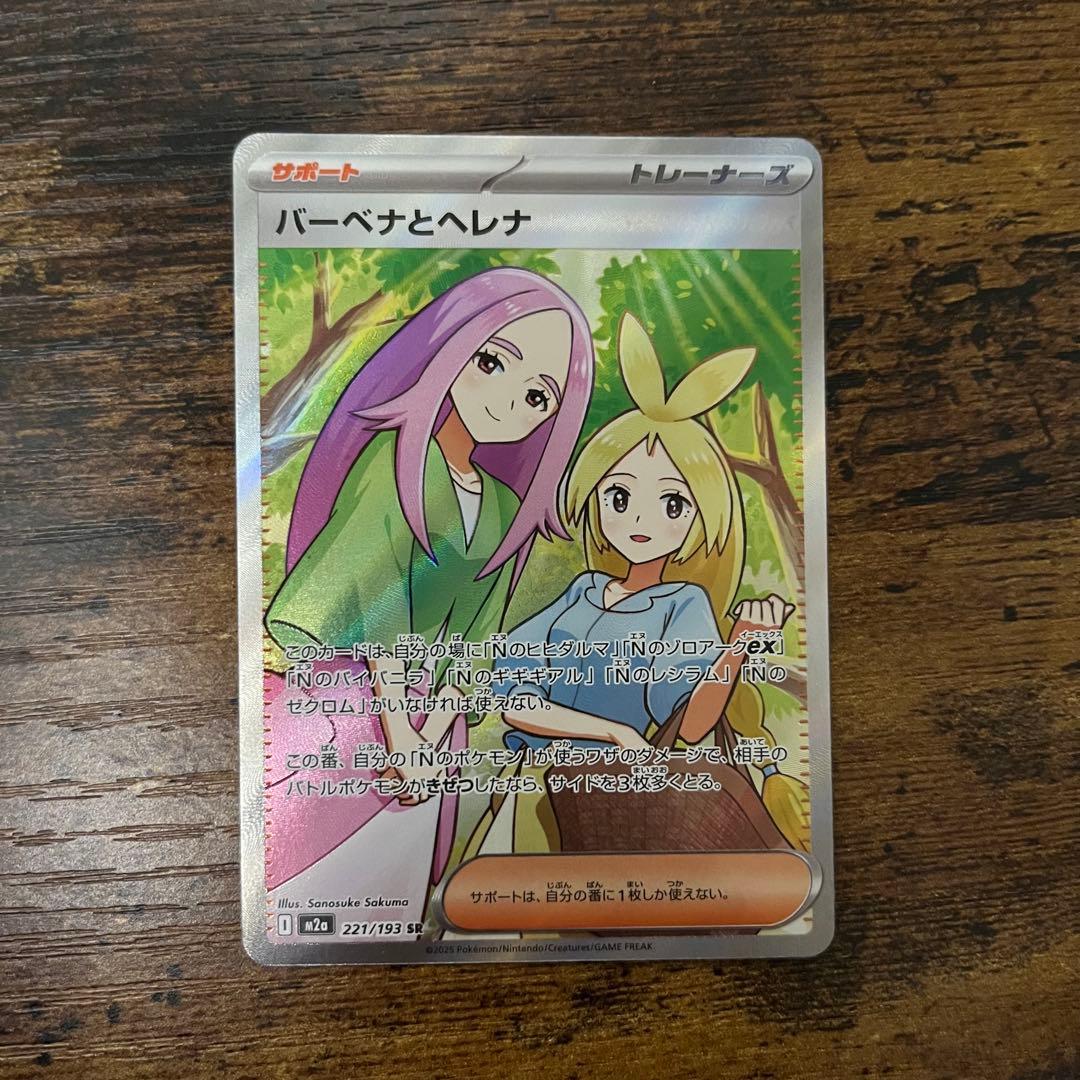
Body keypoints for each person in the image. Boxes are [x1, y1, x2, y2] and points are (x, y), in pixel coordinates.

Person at [262, 268, 595, 933]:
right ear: (453, 347)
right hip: (357, 707)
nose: (506, 400)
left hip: (430, 730)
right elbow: (370, 600)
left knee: (397, 895)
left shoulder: (503, 509)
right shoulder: (395, 460)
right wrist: (400, 735)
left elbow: (478, 640)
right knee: (314, 893)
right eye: (492, 362)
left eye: (537, 396)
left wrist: (432, 733)